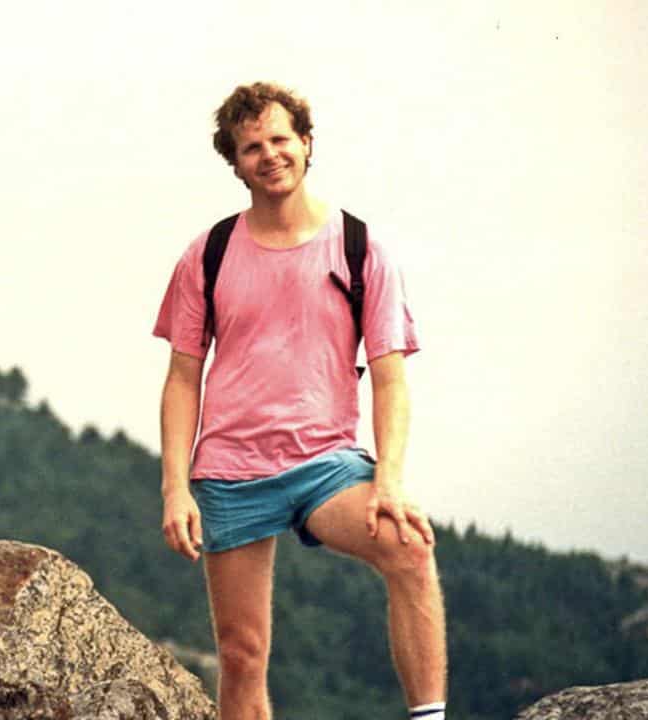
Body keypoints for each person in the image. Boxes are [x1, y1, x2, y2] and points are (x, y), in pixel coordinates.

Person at [153, 82, 448, 720]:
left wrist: (389, 481)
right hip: (233, 472)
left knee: (409, 546)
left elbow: (391, 377)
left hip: (326, 464)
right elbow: (182, 377)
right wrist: (175, 488)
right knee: (241, 655)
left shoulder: (360, 247)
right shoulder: (208, 253)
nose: (269, 155)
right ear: (234, 163)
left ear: (307, 143)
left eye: (280, 139)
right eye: (251, 147)